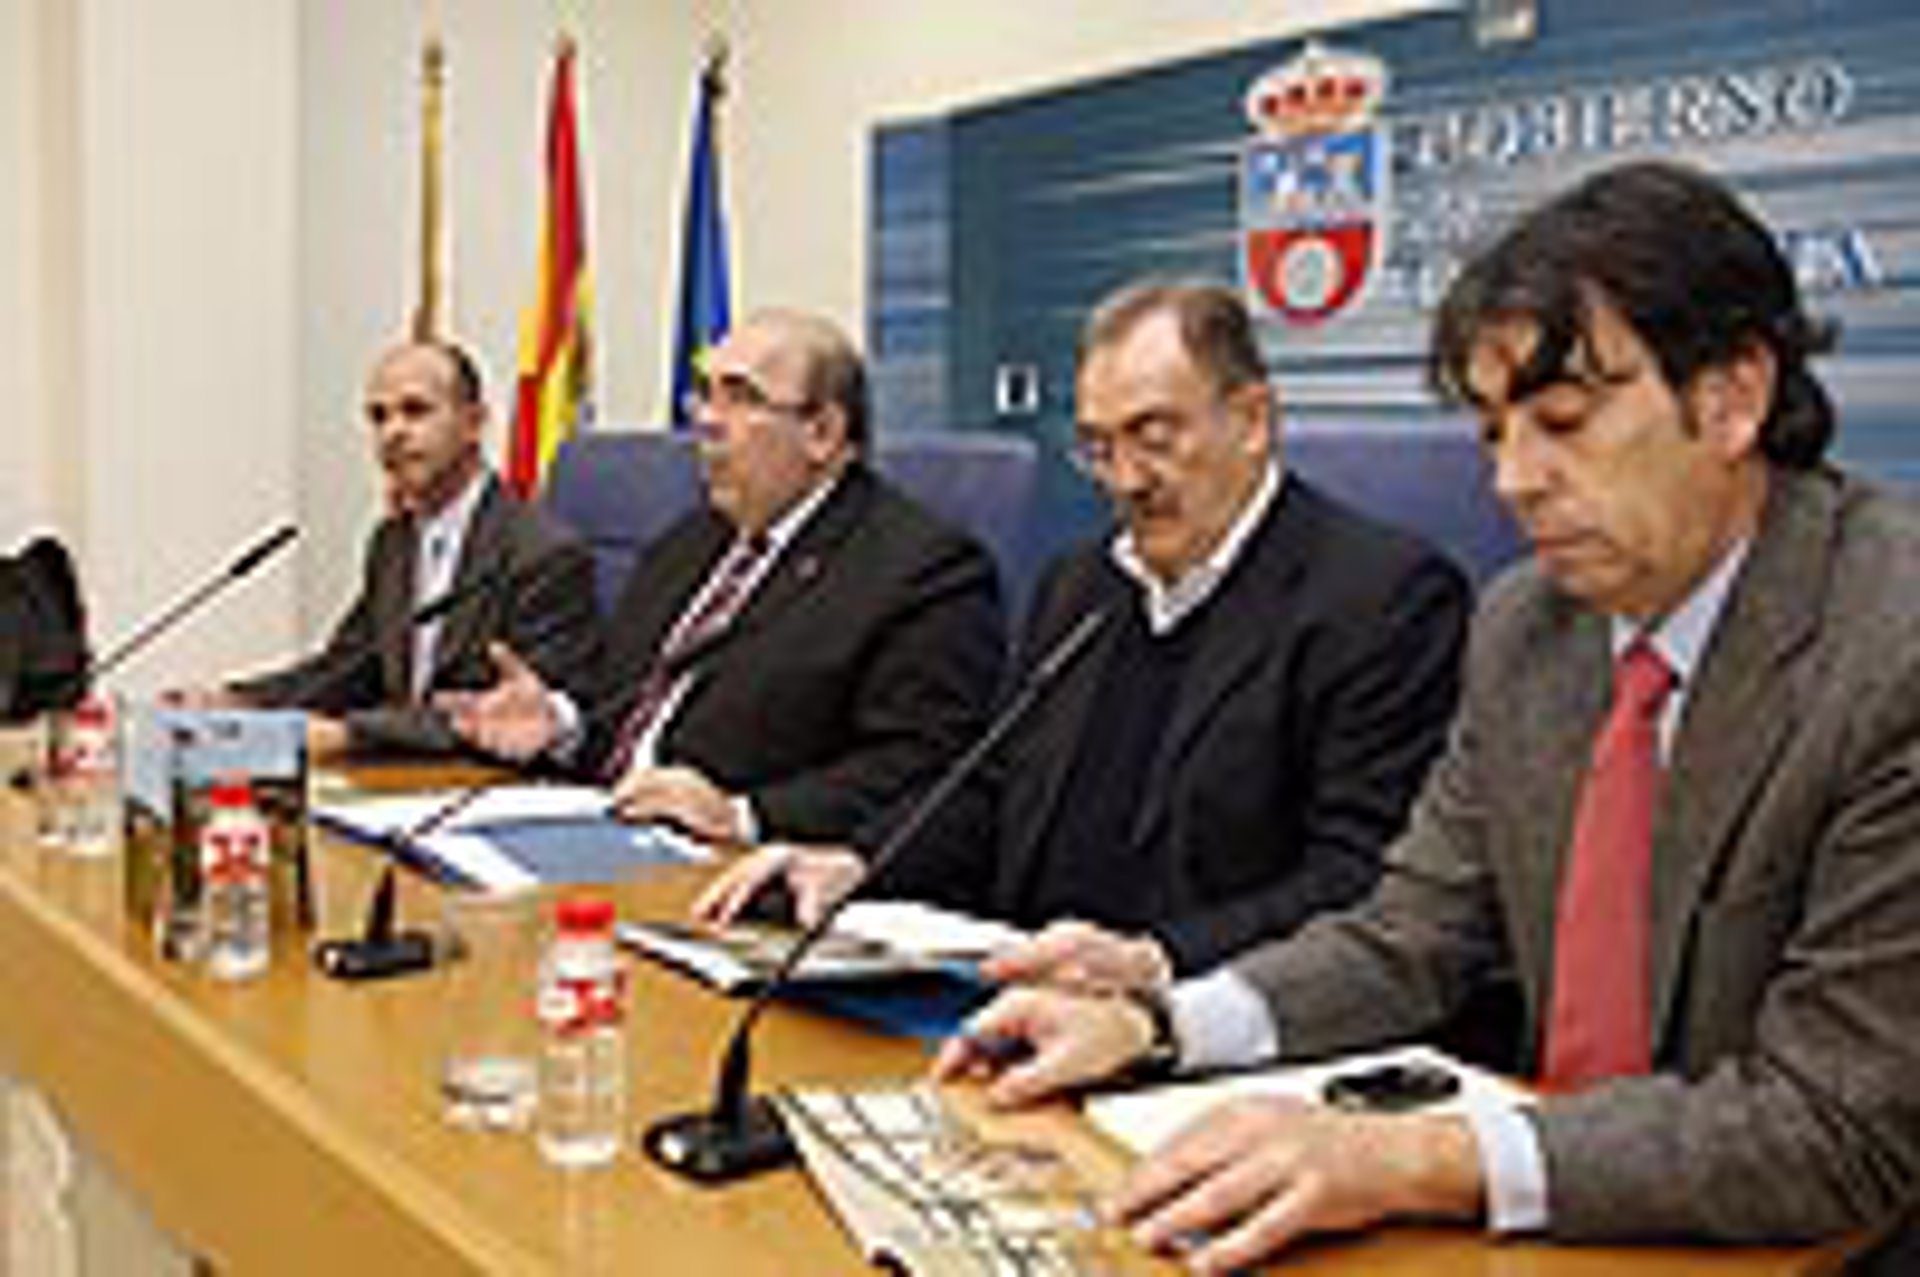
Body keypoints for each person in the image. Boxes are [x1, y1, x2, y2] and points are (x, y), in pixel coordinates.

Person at [932, 159, 1920, 1269]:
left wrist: (1412, 1158)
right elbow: (1411, 934)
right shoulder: (1528, 625)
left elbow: (1836, 1124)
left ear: (1733, 397)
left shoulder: (1894, 643)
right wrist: (1156, 1023)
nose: (1514, 481)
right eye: (1496, 432)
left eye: (1563, 421)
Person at [695, 280, 1469, 983]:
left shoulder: (1379, 597)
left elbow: (1358, 882)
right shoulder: (1083, 585)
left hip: (1209, 1023)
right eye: (1099, 447)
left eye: (1155, 436)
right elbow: (990, 789)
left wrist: (1153, 962)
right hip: (1022, 990)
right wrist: (856, 864)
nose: (1126, 479)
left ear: (1252, 420)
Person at [441, 308, 1004, 845]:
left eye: (741, 397)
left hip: (737, 868)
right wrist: (560, 726)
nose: (707, 421)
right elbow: (628, 702)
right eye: (705, 395)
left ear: (823, 433)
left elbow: (923, 772)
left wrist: (743, 815)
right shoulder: (688, 543)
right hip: (602, 831)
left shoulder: (919, 570)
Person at [179, 341, 601, 759]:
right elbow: (348, 666)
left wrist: (349, 735)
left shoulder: (542, 552)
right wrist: (238, 702)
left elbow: (517, 718)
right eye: (378, 417)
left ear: (474, 423)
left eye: (415, 411)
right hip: (402, 776)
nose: (392, 433)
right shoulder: (392, 542)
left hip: (492, 781)